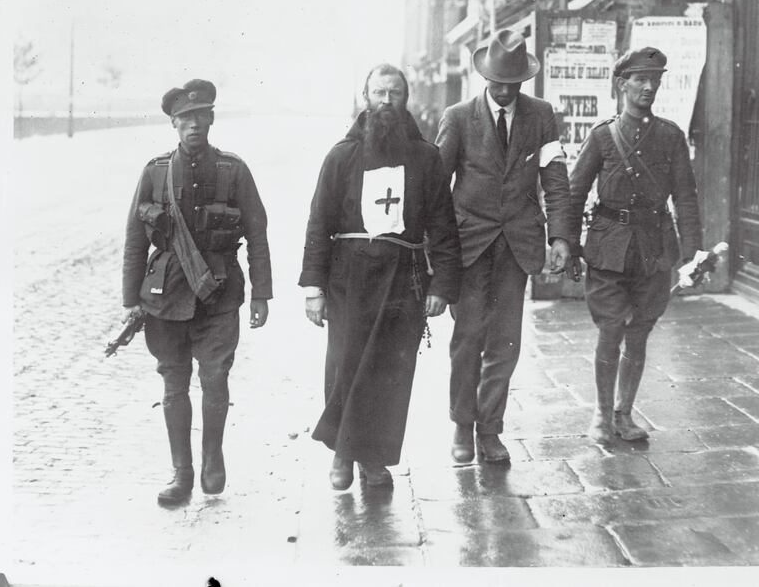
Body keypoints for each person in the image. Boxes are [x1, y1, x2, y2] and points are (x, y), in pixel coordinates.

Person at [299, 63, 462, 490]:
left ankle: (374, 459)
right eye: (378, 93)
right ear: (365, 98)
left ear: (406, 100)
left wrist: (442, 285)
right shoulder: (342, 156)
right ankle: (342, 453)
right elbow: (318, 223)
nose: (386, 101)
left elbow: (443, 227)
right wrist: (314, 289)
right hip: (348, 280)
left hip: (403, 279)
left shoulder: (426, 159)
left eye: (394, 93)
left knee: (391, 372)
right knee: (346, 365)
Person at [122, 79, 272, 505]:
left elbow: (257, 234)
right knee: (173, 382)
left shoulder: (233, 170)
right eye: (184, 118)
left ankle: (212, 457)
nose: (192, 125)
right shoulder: (154, 172)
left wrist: (262, 292)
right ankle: (181, 472)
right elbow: (135, 237)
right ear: (174, 123)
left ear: (210, 119)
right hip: (164, 294)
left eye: (199, 116)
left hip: (219, 291)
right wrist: (130, 300)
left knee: (215, 378)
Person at [436, 30, 571, 464]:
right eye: (498, 82)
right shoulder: (457, 118)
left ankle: (489, 430)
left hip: (517, 246)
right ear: (484, 77)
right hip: (469, 247)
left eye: (514, 83)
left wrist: (561, 236)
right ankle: (461, 423)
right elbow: (437, 188)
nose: (506, 90)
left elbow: (554, 178)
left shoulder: (541, 116)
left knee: (506, 342)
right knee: (467, 338)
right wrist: (434, 252)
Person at [567, 47, 703, 445]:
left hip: (655, 248)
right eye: (640, 79)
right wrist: (567, 244)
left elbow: (686, 196)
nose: (648, 87)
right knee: (610, 331)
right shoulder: (603, 136)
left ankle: (624, 414)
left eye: (655, 80)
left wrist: (693, 252)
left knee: (640, 333)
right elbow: (575, 194)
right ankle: (602, 413)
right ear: (622, 83)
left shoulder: (670, 136)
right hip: (609, 246)